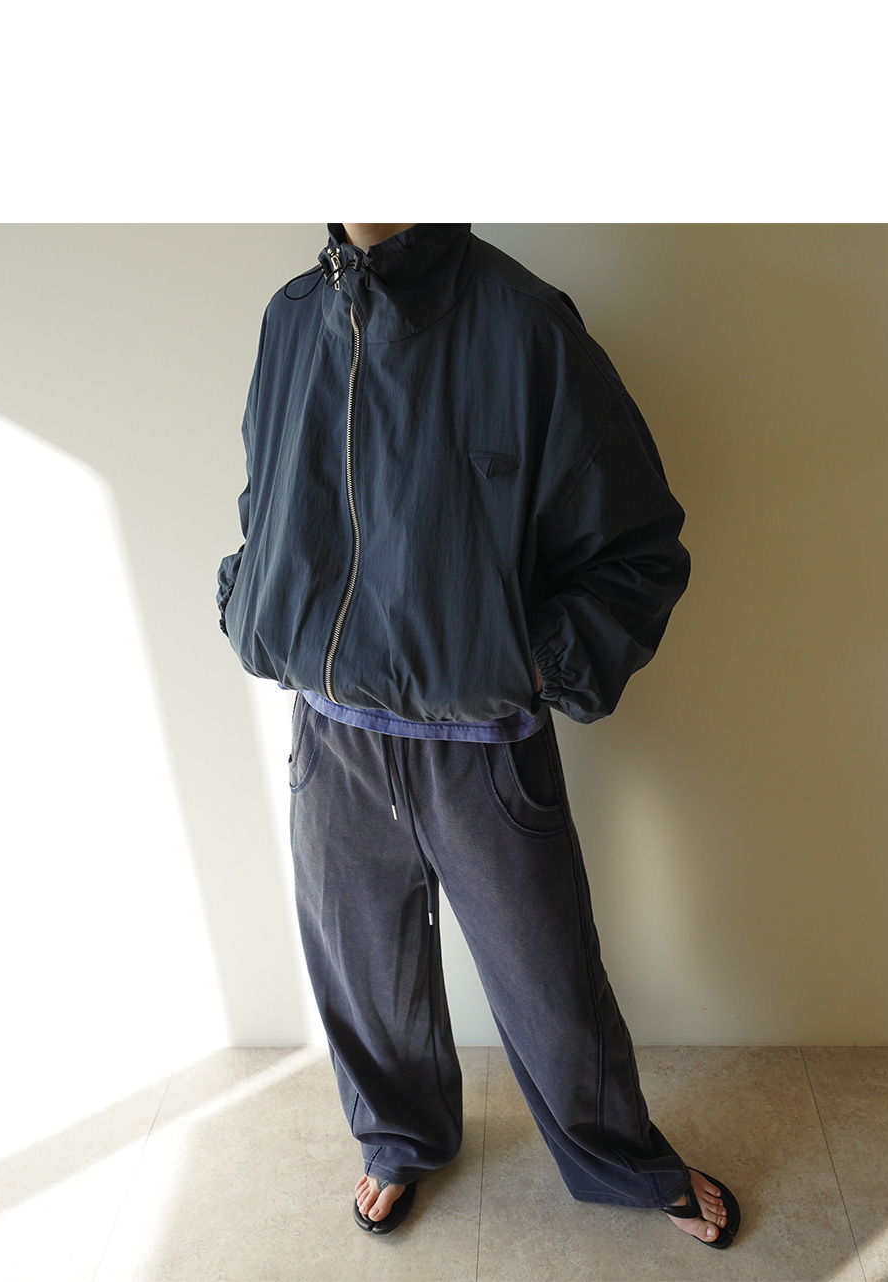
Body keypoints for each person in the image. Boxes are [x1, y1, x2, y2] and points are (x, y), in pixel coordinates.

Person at [218, 223, 740, 1245]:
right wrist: (249, 600)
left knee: (552, 991)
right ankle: (398, 1140)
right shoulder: (291, 319)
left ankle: (622, 1161)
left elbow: (638, 551)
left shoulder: (524, 324)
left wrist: (523, 665)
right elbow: (265, 500)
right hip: (331, 740)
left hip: (483, 752)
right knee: (363, 980)